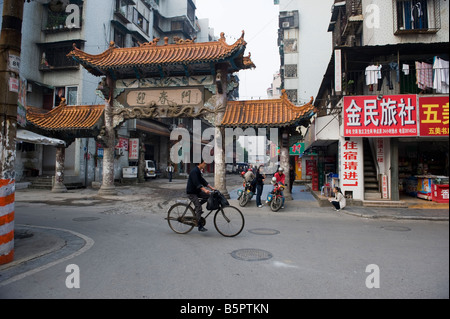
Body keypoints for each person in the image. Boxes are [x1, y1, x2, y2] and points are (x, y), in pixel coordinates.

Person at [186, 161, 215, 232]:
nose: (205, 165)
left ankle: (197, 208)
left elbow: (202, 180)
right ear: (200, 163)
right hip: (191, 193)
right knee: (199, 207)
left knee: (209, 196)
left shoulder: (198, 171)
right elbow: (197, 183)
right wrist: (205, 190)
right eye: (204, 163)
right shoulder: (194, 172)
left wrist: (211, 187)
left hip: (197, 191)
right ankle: (199, 225)